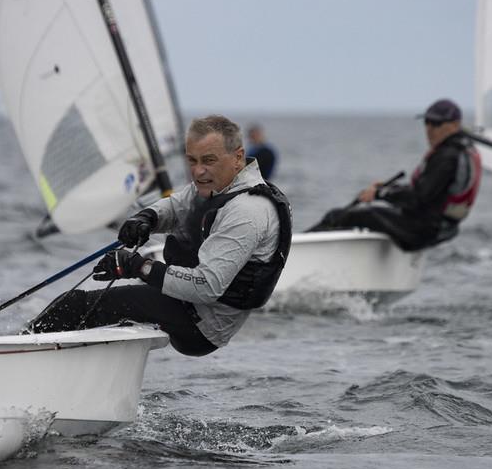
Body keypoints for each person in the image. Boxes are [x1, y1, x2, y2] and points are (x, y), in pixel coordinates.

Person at [26, 115, 292, 356]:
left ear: (237, 157)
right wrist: (146, 219)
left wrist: (137, 266)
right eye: (192, 160)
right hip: (188, 304)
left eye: (209, 160)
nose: (198, 171)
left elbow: (207, 287)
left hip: (202, 324)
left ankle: (20, 353)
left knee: (76, 306)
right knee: (90, 309)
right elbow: (177, 205)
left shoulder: (247, 211)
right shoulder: (222, 183)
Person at [306, 99, 482, 251]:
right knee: (359, 215)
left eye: (436, 124)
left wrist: (379, 194)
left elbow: (417, 198)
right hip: (439, 228)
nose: (429, 129)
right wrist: (388, 189)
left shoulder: (447, 156)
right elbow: (426, 193)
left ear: (454, 125)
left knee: (342, 216)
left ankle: (294, 251)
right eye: (427, 122)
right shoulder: (462, 150)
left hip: (423, 230)